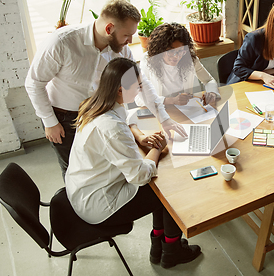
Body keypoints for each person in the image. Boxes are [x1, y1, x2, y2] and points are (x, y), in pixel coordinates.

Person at [25, 0, 186, 180]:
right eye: (126, 35)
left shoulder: (122, 49)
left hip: (101, 114)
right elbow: (34, 82)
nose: (130, 40)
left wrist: (164, 119)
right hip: (65, 118)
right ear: (109, 29)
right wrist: (49, 122)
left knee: (104, 169)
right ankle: (75, 205)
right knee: (74, 171)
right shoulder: (62, 42)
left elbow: (141, 83)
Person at [65, 57, 201, 268]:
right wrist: (157, 148)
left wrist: (139, 136)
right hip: (99, 205)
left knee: (160, 182)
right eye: (136, 87)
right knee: (169, 189)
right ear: (120, 89)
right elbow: (140, 175)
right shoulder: (110, 127)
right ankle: (171, 250)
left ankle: (160, 245)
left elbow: (125, 116)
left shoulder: (95, 104)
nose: (139, 91)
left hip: (83, 188)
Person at [139, 22, 220, 106]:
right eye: (171, 51)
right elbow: (139, 99)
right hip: (162, 110)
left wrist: (212, 93)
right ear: (160, 49)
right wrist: (171, 100)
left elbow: (208, 80)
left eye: (181, 51)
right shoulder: (148, 60)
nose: (176, 56)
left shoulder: (189, 58)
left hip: (186, 110)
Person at [226, 1, 274, 88]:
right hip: (244, 83)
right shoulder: (254, 38)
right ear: (272, 21)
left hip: (267, 82)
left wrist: (271, 71)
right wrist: (263, 75)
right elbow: (238, 68)